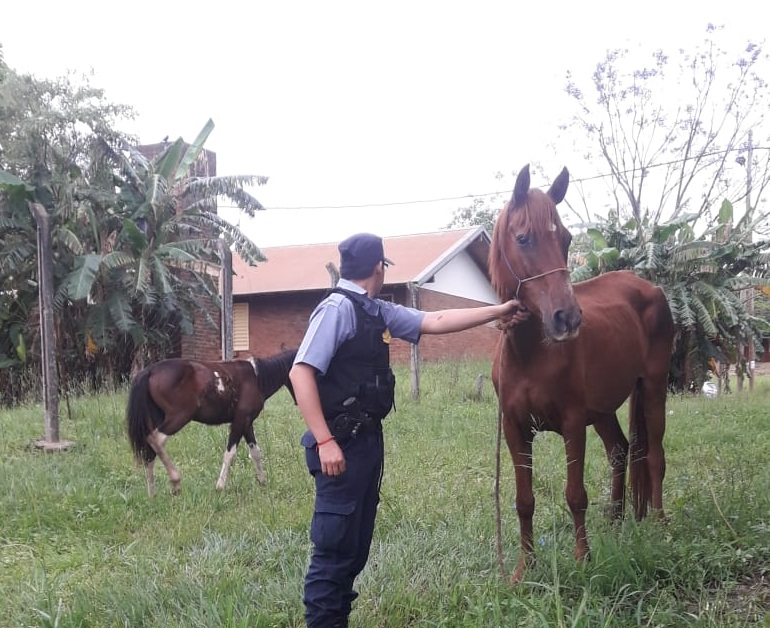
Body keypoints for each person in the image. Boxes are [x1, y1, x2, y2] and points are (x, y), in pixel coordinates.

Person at [289, 232, 528, 628]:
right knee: (333, 553)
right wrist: (326, 440)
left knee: (353, 549)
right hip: (339, 446)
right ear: (378, 268)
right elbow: (300, 373)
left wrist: (496, 311)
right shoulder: (337, 309)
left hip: (365, 443)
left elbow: (434, 320)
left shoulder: (374, 311)